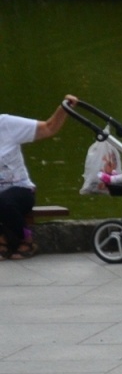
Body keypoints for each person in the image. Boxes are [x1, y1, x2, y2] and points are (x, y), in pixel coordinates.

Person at [0, 94, 75, 259]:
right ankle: (3, 239)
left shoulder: (5, 124)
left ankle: (27, 240)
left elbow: (49, 127)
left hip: (20, 190)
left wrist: (64, 108)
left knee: (4, 201)